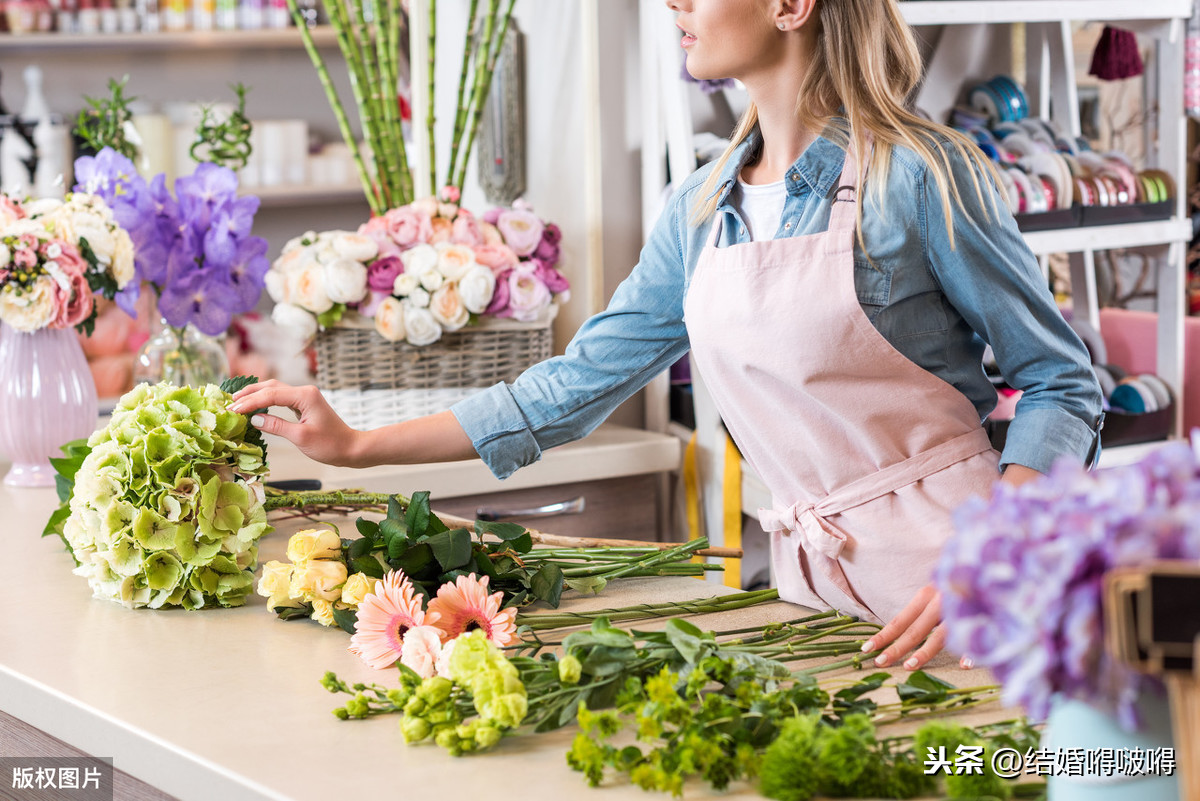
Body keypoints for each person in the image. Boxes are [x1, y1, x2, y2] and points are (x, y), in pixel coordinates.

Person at [231, 0, 1103, 671]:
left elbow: (1063, 383)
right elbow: (567, 390)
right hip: (811, 592)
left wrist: (992, 552)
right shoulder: (699, 208)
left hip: (965, 585)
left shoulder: (920, 174)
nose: (673, 4)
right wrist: (356, 444)